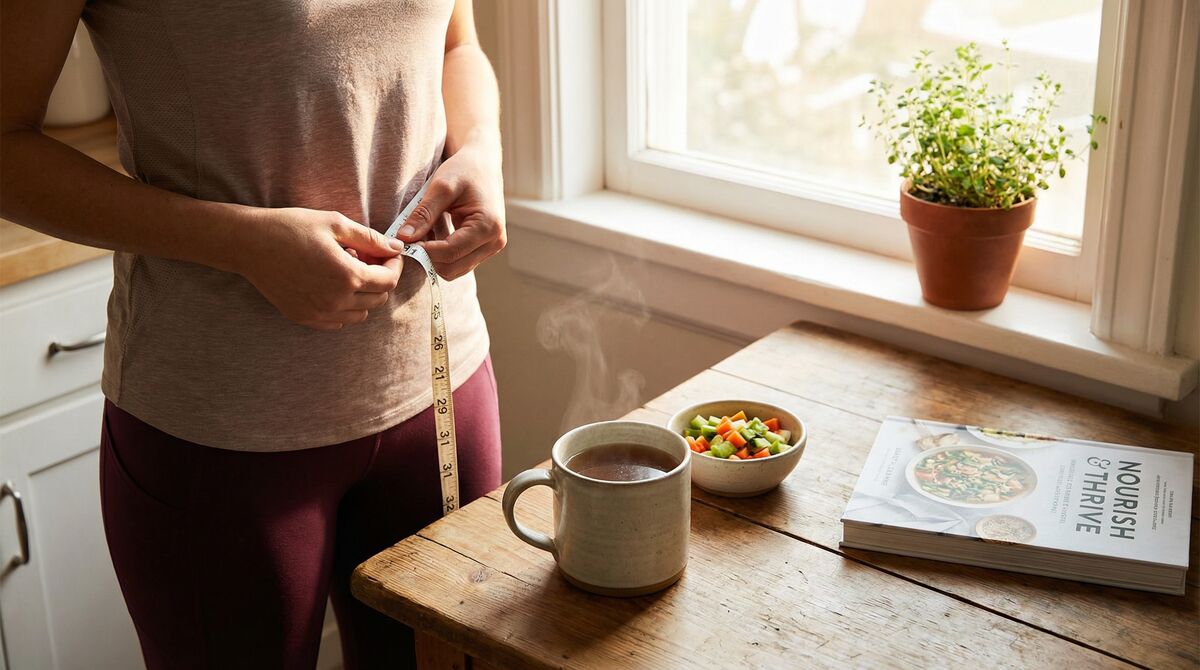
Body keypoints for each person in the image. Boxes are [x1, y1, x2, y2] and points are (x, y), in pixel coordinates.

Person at [1, 0, 505, 667]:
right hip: (220, 428)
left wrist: (482, 149)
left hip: (441, 385)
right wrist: (242, 244)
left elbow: (455, 42)